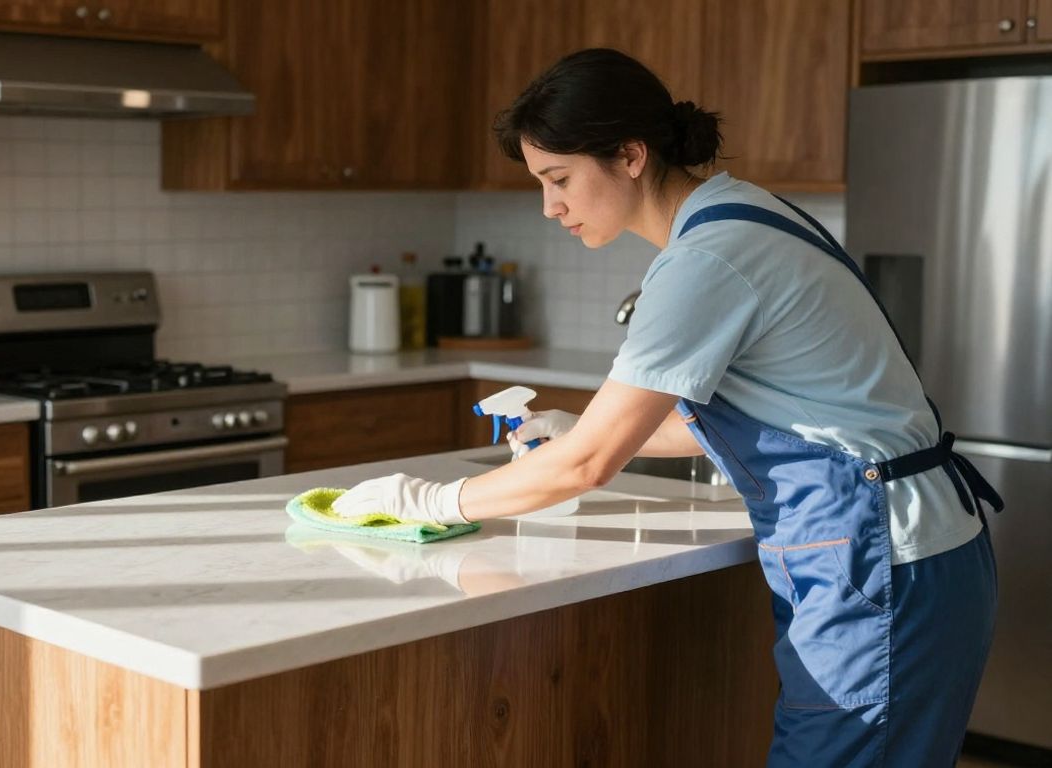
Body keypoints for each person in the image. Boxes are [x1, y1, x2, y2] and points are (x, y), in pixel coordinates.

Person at [331, 48, 1003, 766]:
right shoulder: (741, 211)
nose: (549, 205)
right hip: (912, 555)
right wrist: (580, 429)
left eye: (558, 179)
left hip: (882, 564)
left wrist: (431, 500)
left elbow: (589, 466)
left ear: (628, 155)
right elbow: (773, 415)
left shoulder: (705, 260)